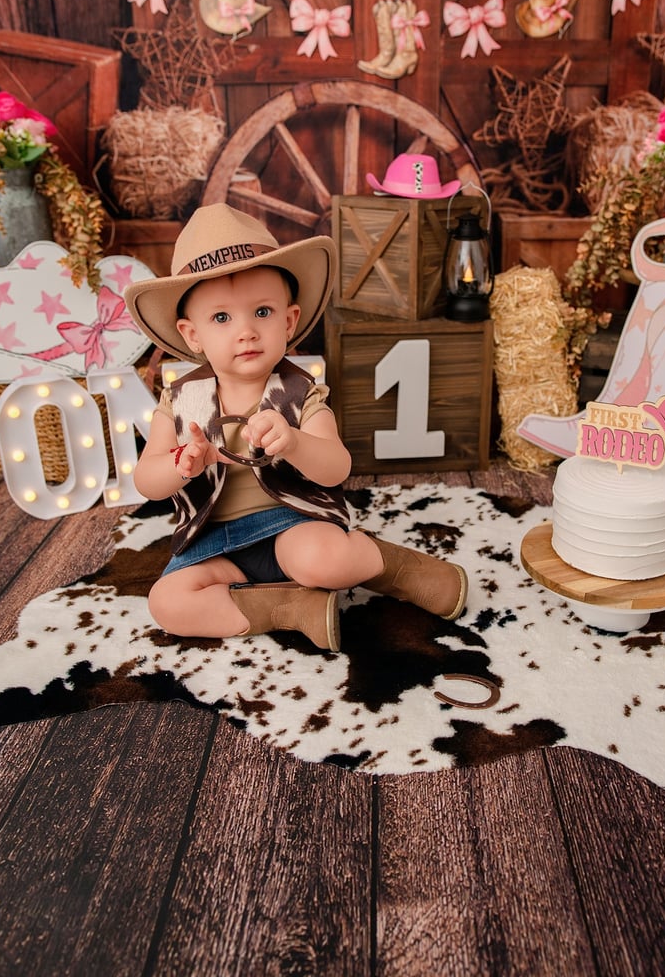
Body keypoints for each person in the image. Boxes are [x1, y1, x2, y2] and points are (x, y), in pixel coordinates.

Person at [125, 203, 468, 651]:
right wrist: (181, 463)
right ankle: (292, 607)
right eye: (222, 318)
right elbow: (147, 481)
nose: (246, 331)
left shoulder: (300, 392)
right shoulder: (179, 400)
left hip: (292, 524)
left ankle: (391, 566)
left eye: (262, 312)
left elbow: (336, 468)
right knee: (168, 602)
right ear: (193, 335)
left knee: (321, 561)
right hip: (215, 543)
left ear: (288, 321)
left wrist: (295, 442)